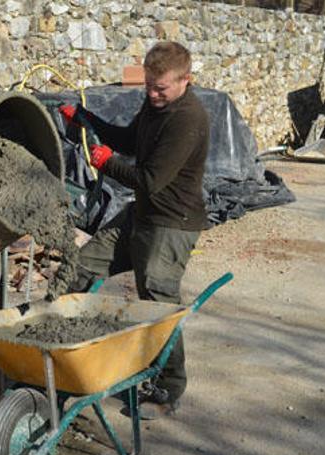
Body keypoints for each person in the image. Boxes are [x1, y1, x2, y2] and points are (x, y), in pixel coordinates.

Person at [59, 41, 209, 419]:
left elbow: (151, 179)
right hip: (141, 214)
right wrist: (86, 119)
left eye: (161, 89)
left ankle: (168, 389)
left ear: (185, 81)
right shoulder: (156, 105)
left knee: (156, 299)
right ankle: (56, 347)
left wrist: (107, 164)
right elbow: (128, 140)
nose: (153, 95)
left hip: (172, 222)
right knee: (82, 264)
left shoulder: (187, 119)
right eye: (148, 86)